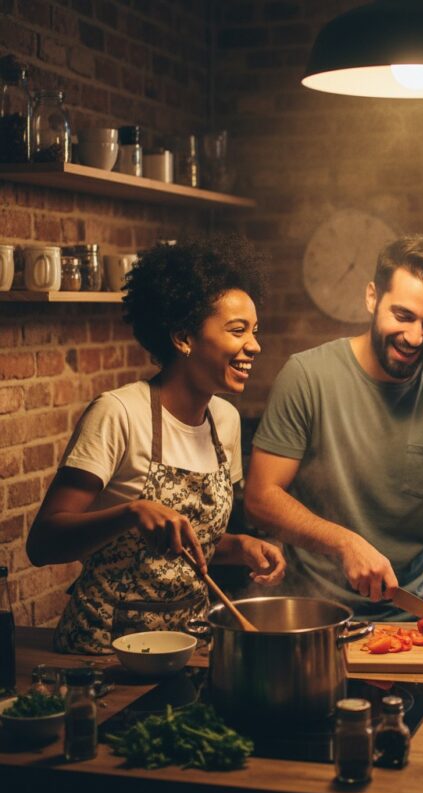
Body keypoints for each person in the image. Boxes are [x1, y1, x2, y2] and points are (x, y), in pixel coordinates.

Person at [27, 237, 286, 653]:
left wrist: (242, 548)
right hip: (103, 655)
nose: (254, 345)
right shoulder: (118, 414)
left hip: (191, 648)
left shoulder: (226, 422)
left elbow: (185, 548)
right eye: (238, 330)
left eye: (254, 331)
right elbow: (42, 544)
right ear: (183, 337)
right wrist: (131, 513)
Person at [244, 234, 423, 628]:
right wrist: (345, 543)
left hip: (413, 618)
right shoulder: (307, 375)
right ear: (372, 297)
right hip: (313, 615)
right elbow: (260, 497)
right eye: (403, 316)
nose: (414, 337)